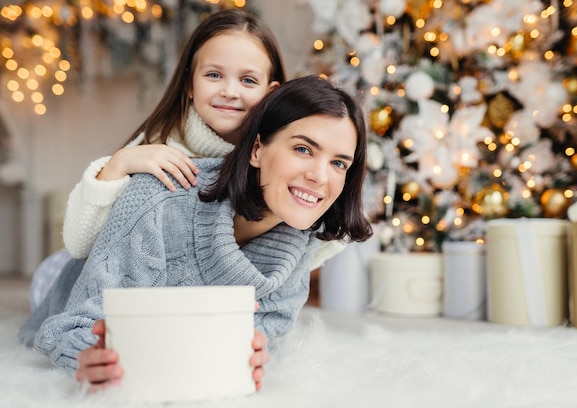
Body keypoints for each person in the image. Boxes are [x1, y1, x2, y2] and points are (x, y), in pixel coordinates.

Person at [29, 75, 372, 392]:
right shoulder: (159, 198)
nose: (320, 177)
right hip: (69, 276)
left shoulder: (301, 239)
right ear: (256, 150)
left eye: (339, 163)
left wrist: (250, 357)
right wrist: (88, 357)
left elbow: (266, 334)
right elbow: (69, 327)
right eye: (303, 149)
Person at [28, 8, 345, 313]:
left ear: (270, 90)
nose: (230, 91)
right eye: (213, 75)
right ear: (190, 85)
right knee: (54, 280)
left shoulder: (283, 158)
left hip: (192, 290)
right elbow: (80, 245)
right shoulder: (161, 147)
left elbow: (289, 258)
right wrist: (118, 165)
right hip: (89, 274)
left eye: (248, 81)